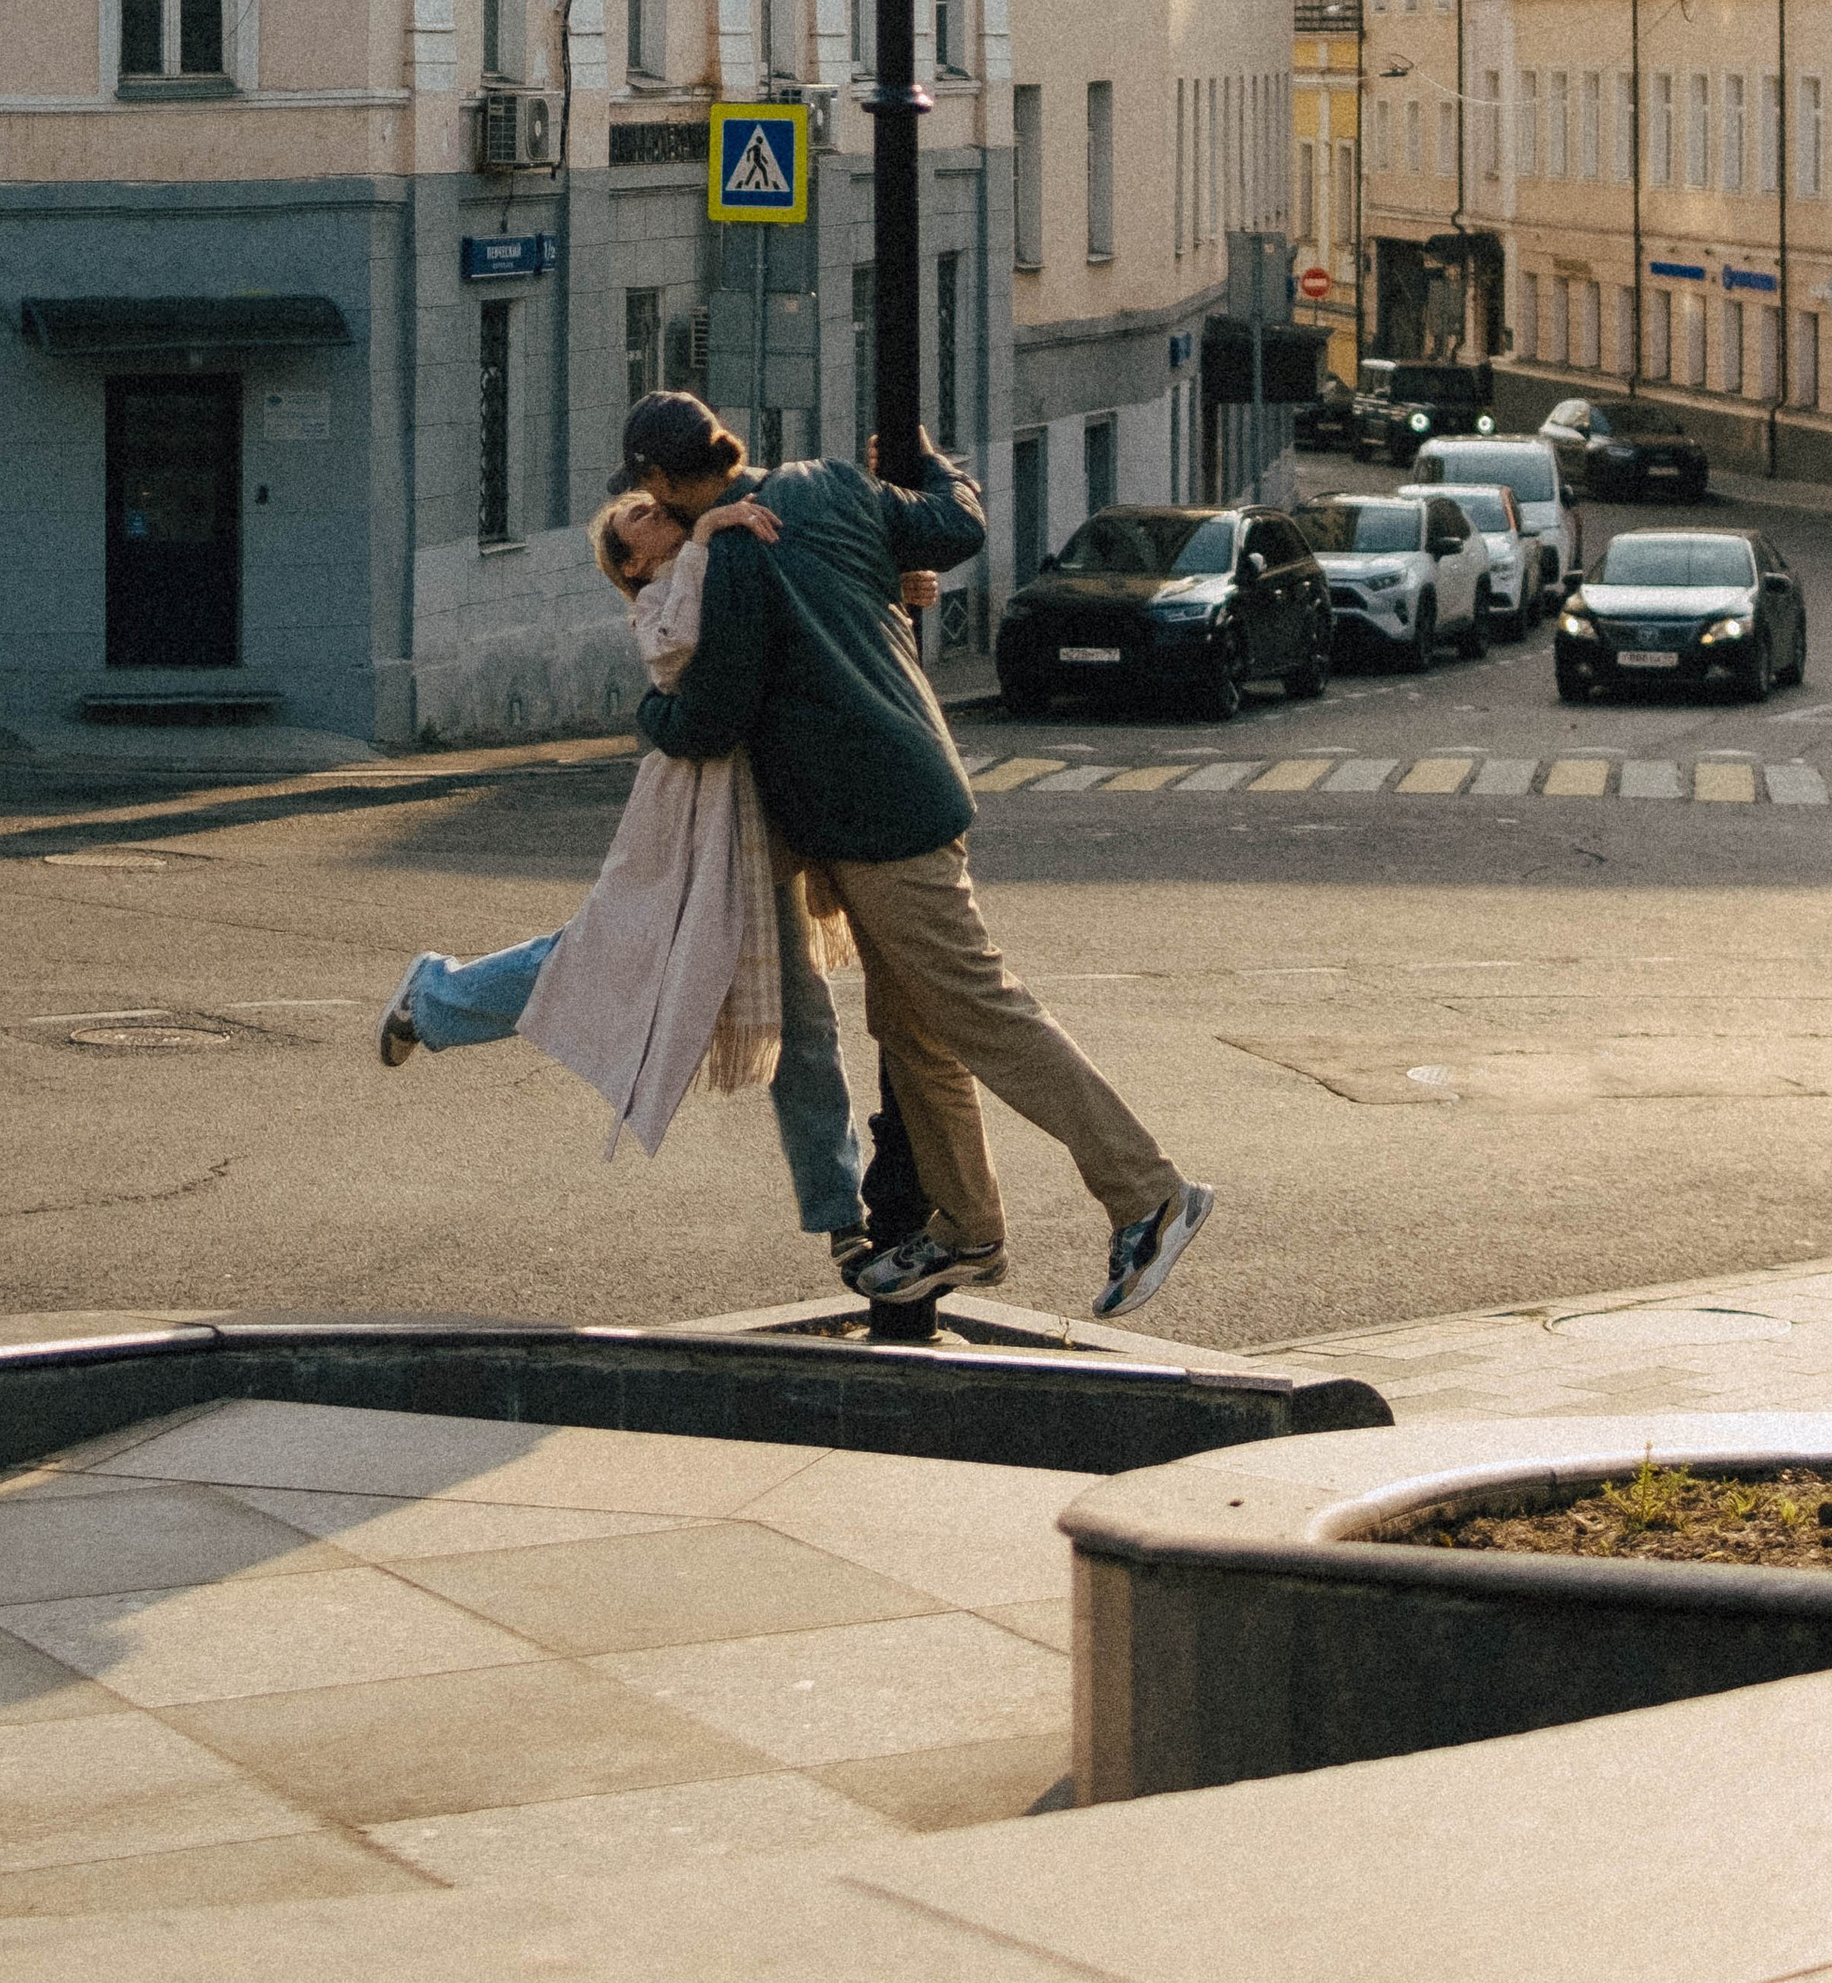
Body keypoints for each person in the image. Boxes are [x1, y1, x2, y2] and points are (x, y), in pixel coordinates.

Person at [617, 390, 1216, 1322]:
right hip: (913, 781)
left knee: (983, 1011)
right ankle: (968, 1228)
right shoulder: (831, 485)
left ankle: (1149, 1195)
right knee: (915, 1028)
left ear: (659, 477)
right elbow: (957, 524)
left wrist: (646, 710)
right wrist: (929, 458)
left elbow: (709, 718)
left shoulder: (736, 550)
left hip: (874, 818)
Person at [375, 490, 869, 1273]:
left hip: (763, 827)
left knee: (803, 1020)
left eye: (648, 501)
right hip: (691, 828)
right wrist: (704, 533)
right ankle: (432, 995)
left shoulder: (734, 549)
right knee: (599, 962)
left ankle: (844, 1214)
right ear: (633, 564)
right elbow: (677, 650)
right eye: (630, 515)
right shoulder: (658, 599)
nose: (647, 506)